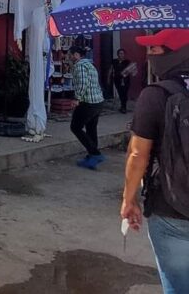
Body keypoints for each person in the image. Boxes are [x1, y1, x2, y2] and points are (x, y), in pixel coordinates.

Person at [121, 29, 189, 294]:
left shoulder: (155, 95)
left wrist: (129, 199)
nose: (149, 56)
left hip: (171, 209)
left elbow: (138, 154)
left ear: (179, 53)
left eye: (156, 49)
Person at [69, 45, 105, 169]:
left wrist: (76, 98)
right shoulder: (90, 65)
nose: (70, 57)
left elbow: (83, 83)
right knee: (91, 128)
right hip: (97, 101)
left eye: (71, 54)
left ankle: (95, 153)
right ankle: (92, 155)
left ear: (77, 55)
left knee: (75, 127)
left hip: (87, 102)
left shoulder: (80, 65)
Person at [109, 48, 131, 113]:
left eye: (123, 53)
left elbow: (129, 70)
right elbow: (111, 69)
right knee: (120, 92)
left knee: (125, 93)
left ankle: (124, 107)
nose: (121, 55)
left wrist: (125, 74)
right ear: (118, 54)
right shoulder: (114, 61)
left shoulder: (127, 61)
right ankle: (122, 106)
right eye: (120, 53)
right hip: (117, 79)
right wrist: (108, 78)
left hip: (125, 80)